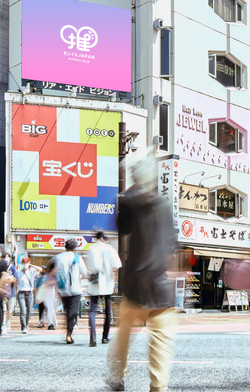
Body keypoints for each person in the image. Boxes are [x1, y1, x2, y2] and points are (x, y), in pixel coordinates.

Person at [107, 151, 177, 392]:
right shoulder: (164, 206)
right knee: (160, 343)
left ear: (135, 177)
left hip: (136, 285)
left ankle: (117, 378)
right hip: (160, 288)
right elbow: (170, 250)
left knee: (123, 336)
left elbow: (122, 227)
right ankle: (158, 387)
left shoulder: (128, 200)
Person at [86, 231, 121, 347]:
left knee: (92, 311)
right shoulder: (109, 249)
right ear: (103, 238)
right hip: (107, 283)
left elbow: (89, 266)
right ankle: (105, 337)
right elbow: (117, 264)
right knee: (108, 311)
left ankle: (93, 338)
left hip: (95, 282)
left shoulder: (92, 249)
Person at [54, 239, 88, 345]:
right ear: (74, 248)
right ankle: (69, 334)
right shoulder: (77, 257)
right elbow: (85, 272)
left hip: (63, 289)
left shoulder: (59, 257)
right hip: (75, 289)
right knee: (72, 313)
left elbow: (53, 270)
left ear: (65, 247)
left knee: (68, 311)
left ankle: (69, 332)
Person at [15, 256, 41, 334]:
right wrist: (15, 291)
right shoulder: (18, 272)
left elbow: (40, 269)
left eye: (26, 263)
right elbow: (15, 282)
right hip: (21, 292)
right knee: (23, 311)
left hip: (29, 292)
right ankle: (24, 327)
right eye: (23, 263)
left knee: (29, 311)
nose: (25, 265)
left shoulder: (32, 271)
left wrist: (31, 265)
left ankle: (26, 324)